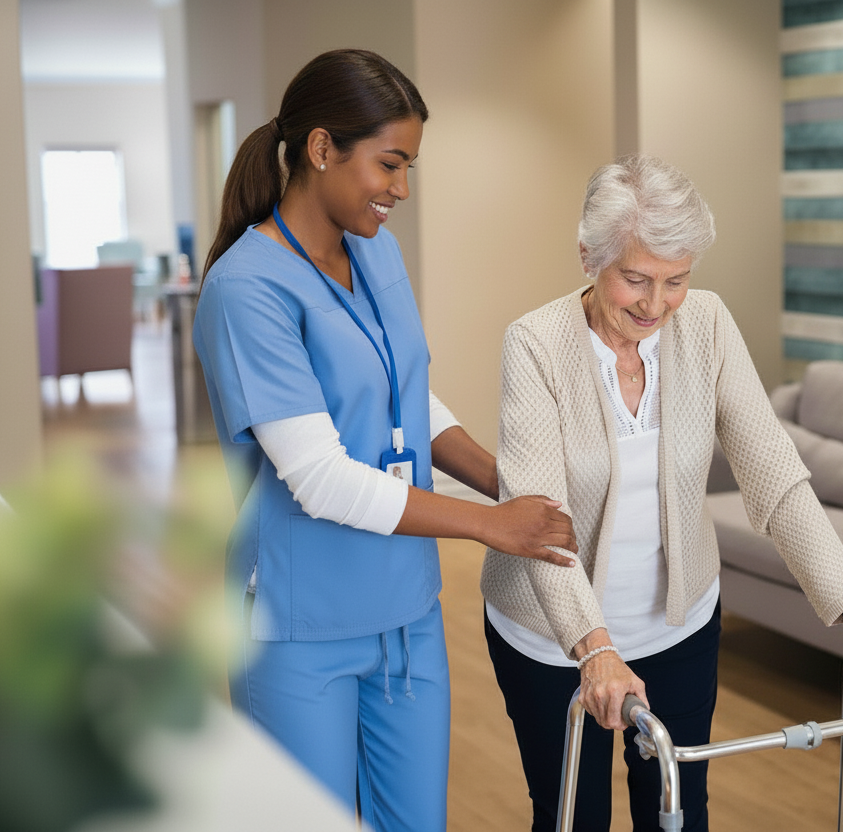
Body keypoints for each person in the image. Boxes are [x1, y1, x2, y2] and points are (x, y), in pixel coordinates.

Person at [480, 155, 843, 832]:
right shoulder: (537, 344)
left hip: (677, 623)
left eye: (676, 281)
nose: (656, 305)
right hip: (553, 636)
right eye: (635, 278)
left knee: (679, 811)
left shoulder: (709, 324)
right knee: (574, 816)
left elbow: (774, 475)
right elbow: (542, 517)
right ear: (587, 256)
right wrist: (595, 645)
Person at [191, 49, 576, 831]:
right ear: (323, 148)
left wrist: (502, 479)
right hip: (299, 624)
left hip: (404, 610)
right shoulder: (247, 288)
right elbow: (320, 478)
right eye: (389, 164)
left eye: (410, 166)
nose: (401, 189)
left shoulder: (376, 249)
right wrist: (491, 523)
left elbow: (401, 393)